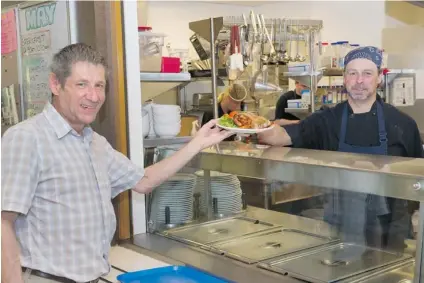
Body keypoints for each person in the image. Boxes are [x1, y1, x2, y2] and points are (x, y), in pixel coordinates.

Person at [1, 43, 233, 283]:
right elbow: (3, 222)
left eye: (99, 85)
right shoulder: (27, 137)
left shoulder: (95, 143)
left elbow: (143, 181)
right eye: (81, 84)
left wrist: (197, 143)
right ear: (55, 84)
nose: (93, 96)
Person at [258, 46, 423, 251]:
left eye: (367, 73)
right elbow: (282, 136)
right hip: (340, 230)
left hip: (390, 232)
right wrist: (252, 126)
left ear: (379, 78)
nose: (359, 80)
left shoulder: (402, 124)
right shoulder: (326, 120)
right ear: (345, 78)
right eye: (353, 73)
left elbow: (418, 177)